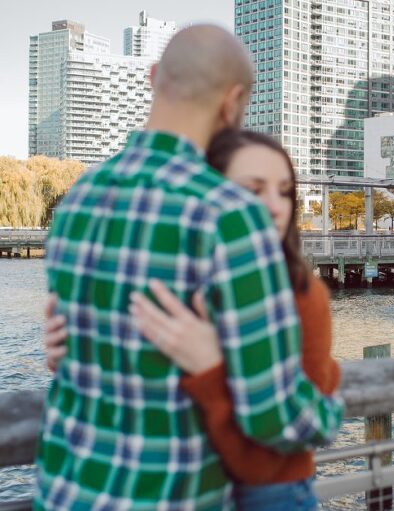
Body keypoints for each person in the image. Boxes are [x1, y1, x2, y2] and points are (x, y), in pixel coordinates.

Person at [36, 25, 343, 510]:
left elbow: (78, 350)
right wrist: (328, 413)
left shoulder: (79, 198)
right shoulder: (227, 215)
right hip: (170, 496)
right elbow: (277, 421)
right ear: (232, 102)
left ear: (155, 76)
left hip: (67, 492)